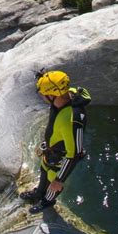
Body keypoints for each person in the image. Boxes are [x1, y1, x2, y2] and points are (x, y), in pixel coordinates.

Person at [20, 70, 91, 214]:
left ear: (52, 95)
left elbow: (74, 153)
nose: (41, 96)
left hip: (61, 157)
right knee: (44, 170)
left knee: (53, 182)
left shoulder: (70, 119)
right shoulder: (67, 94)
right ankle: (39, 193)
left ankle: (48, 201)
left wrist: (59, 180)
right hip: (52, 151)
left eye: (43, 94)